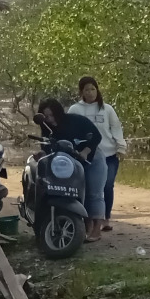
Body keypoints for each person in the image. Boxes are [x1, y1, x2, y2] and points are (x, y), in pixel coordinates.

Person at [34, 98, 106, 240]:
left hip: (91, 159)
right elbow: (48, 148)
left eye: (52, 115)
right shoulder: (47, 130)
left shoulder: (76, 120)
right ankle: (86, 227)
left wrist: (85, 151)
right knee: (79, 193)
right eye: (46, 117)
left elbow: (96, 136)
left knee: (94, 193)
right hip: (69, 163)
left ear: (59, 113)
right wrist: (42, 154)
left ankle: (97, 229)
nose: (49, 119)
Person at [68, 76, 127, 233]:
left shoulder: (106, 109)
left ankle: (105, 218)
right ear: (82, 92)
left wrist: (121, 147)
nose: (91, 92)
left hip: (108, 154)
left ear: (97, 90)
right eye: (87, 89)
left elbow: (116, 128)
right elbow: (69, 131)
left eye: (93, 89)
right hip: (86, 156)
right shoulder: (75, 110)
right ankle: (87, 220)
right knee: (89, 188)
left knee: (107, 185)